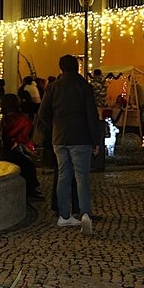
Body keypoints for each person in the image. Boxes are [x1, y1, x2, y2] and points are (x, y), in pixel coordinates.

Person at [37, 55, 103, 234]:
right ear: (77, 67)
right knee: (82, 177)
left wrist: (54, 126)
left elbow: (42, 114)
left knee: (63, 176)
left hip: (59, 137)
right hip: (80, 137)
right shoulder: (84, 87)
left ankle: (64, 216)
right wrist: (95, 140)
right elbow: (91, 114)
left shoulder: (52, 87)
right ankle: (85, 214)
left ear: (61, 68)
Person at [0, 94, 42, 199]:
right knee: (28, 166)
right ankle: (31, 191)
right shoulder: (21, 119)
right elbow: (25, 136)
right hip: (13, 151)